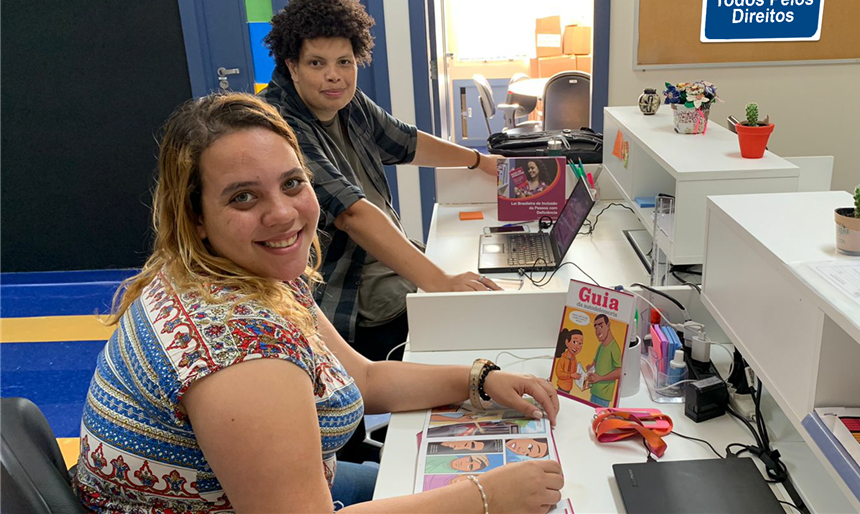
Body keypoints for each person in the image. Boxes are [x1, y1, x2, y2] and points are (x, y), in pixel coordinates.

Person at [73, 93, 563, 513]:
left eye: (292, 183)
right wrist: (483, 497)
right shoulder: (238, 347)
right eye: (243, 198)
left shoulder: (244, 273)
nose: (283, 213)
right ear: (196, 217)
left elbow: (364, 378)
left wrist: (479, 378)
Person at [261, 0, 501, 363]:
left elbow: (405, 141)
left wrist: (477, 160)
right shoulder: (278, 126)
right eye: (316, 63)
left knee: (482, 309)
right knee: (465, 345)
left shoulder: (347, 100)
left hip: (386, 273)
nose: (334, 76)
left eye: (345, 62)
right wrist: (439, 283)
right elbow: (351, 214)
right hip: (344, 300)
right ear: (292, 65)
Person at [585, 314, 621, 407]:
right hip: (594, 391)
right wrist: (590, 369)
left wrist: (600, 378)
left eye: (601, 326)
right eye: (595, 328)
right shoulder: (600, 347)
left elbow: (619, 372)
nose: (598, 331)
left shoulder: (614, 348)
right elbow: (595, 364)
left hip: (603, 396)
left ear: (608, 325)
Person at [552, 328, 584, 392]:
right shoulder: (563, 358)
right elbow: (559, 373)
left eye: (580, 344)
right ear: (567, 342)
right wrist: (571, 375)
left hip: (569, 388)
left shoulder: (574, 359)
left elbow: (573, 372)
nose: (577, 346)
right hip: (561, 388)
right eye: (575, 342)